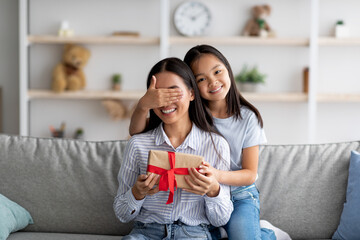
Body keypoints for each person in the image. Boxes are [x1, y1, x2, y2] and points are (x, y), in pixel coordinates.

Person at [128, 45, 288, 240]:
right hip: (203, 198)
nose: (213, 82)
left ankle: (267, 234)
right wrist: (144, 105)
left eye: (218, 72)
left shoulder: (248, 118)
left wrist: (215, 176)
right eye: (201, 79)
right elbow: (137, 133)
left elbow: (250, 174)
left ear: (228, 69)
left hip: (239, 195)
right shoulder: (191, 112)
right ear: (192, 88)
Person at [114, 57, 233, 240]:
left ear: (192, 93)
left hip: (193, 233)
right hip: (147, 231)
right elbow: (121, 213)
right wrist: (137, 193)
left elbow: (221, 219)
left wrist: (213, 190)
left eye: (173, 92)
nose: (165, 102)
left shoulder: (216, 145)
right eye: (158, 95)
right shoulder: (138, 145)